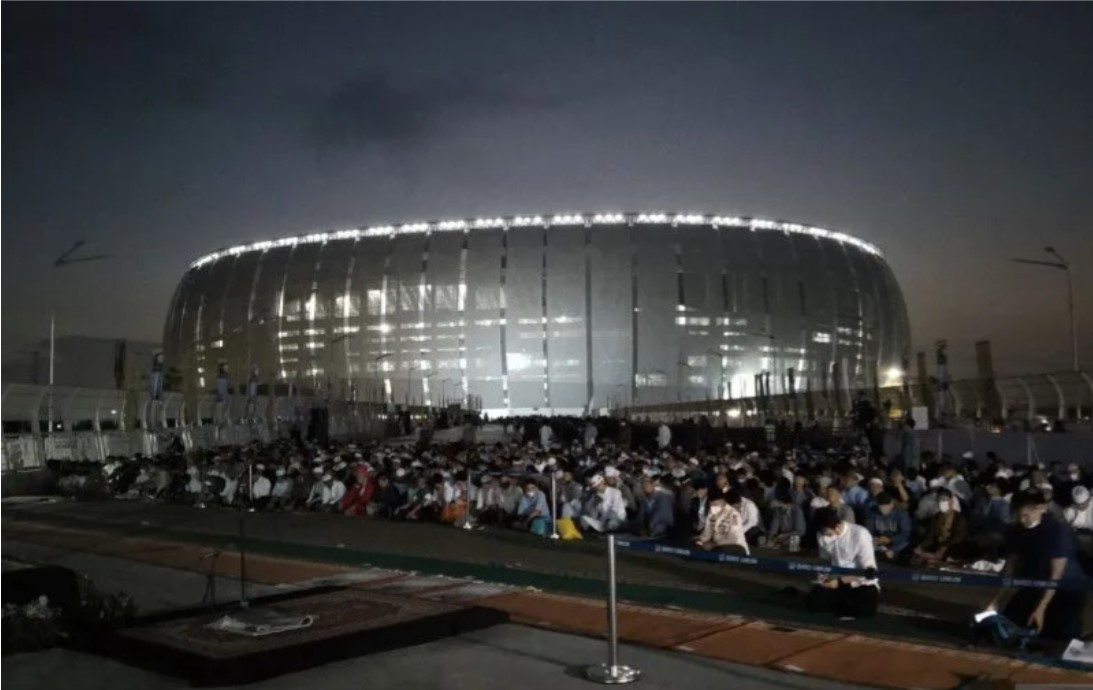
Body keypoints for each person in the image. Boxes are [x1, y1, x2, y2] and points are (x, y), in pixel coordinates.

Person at [986, 490, 1088, 642]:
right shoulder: (1017, 530)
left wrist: (1041, 607)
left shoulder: (1056, 530)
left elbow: (1056, 575)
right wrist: (995, 601)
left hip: (1067, 588)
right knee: (1007, 627)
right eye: (1018, 515)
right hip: (1034, 583)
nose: (1022, 520)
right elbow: (1010, 568)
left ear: (1040, 508)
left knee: (1058, 637)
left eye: (1026, 515)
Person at [806, 506, 880, 620]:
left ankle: (845, 606)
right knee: (812, 603)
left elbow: (869, 571)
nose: (824, 536)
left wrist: (840, 582)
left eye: (827, 533)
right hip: (834, 579)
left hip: (859, 583)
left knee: (866, 609)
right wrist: (821, 576)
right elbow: (825, 560)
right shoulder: (821, 534)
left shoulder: (860, 534)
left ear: (837, 526)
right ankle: (841, 605)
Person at [913, 489, 968, 566]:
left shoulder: (959, 518)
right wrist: (921, 546)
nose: (942, 503)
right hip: (937, 545)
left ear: (951, 502)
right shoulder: (936, 517)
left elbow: (958, 536)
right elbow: (930, 536)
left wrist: (944, 546)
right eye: (940, 501)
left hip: (952, 547)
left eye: (944, 500)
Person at [864, 492, 912, 561]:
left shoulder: (902, 515)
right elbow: (869, 530)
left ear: (891, 504)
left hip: (896, 542)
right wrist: (875, 538)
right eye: (880, 506)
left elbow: (905, 534)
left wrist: (890, 540)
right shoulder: (873, 512)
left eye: (885, 506)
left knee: (905, 544)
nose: (882, 509)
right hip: (880, 541)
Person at [765, 482, 806, 549]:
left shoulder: (796, 511)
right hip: (782, 535)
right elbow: (774, 526)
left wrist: (784, 535)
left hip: (794, 536)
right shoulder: (778, 510)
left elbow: (800, 531)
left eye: (776, 500)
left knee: (791, 542)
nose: (774, 501)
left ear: (781, 502)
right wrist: (770, 538)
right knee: (763, 540)